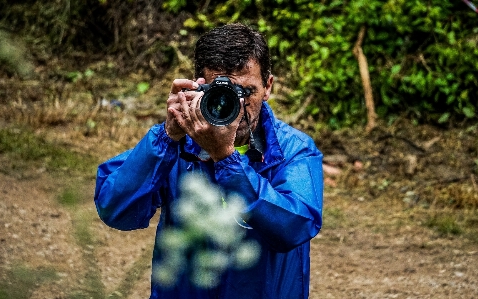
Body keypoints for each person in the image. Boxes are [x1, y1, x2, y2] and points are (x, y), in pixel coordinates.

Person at [94, 23, 324, 299]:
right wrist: (167, 137)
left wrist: (225, 159)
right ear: (196, 86)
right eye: (223, 93)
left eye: (247, 92)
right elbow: (115, 209)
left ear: (268, 86)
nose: (238, 106)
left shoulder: (293, 149)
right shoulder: (177, 144)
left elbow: (295, 227)